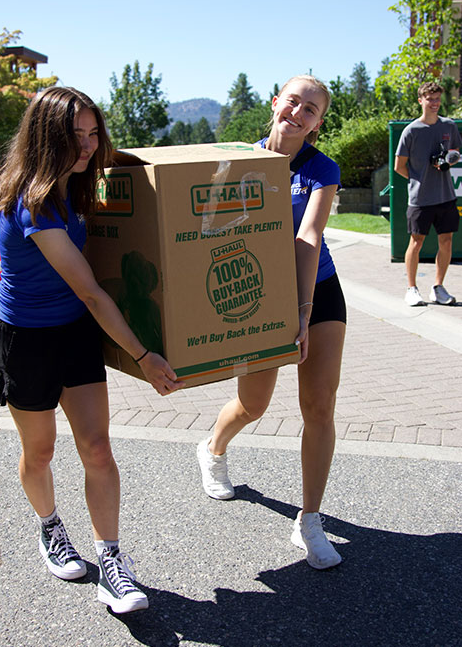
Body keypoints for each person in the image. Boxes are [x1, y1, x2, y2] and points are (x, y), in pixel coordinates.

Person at [0, 86, 182, 614]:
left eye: (95, 134)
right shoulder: (34, 202)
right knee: (41, 452)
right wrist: (145, 356)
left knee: (97, 448)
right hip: (25, 339)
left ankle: (112, 563)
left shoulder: (79, 186)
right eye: (76, 136)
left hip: (73, 333)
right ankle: (50, 527)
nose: (89, 146)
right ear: (46, 138)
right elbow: (91, 290)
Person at [197, 75, 346, 570]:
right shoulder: (239, 159)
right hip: (257, 293)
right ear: (276, 104)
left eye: (311, 109)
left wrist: (303, 314)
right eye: (293, 101)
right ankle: (214, 448)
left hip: (316, 291)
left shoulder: (322, 169)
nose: (298, 113)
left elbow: (309, 236)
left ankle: (310, 520)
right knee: (254, 402)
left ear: (318, 123)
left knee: (319, 405)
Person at [395, 81, 462, 307]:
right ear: (420, 100)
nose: (434, 103)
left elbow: (456, 152)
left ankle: (438, 288)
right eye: (429, 99)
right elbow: (399, 166)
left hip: (446, 196)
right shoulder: (411, 131)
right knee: (416, 242)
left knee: (446, 241)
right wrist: (418, 179)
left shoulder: (449, 126)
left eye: (437, 99)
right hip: (420, 199)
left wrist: (449, 159)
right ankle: (411, 289)